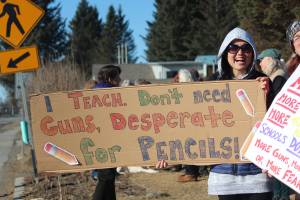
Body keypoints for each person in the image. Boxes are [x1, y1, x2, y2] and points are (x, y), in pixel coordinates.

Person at [157, 27, 274, 200]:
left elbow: (276, 123)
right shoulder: (211, 84)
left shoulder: (263, 82)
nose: (240, 53)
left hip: (257, 174)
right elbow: (189, 122)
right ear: (225, 52)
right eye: (233, 48)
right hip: (224, 176)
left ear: (253, 53)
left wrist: (267, 94)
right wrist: (167, 151)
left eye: (246, 48)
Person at [92, 65, 121, 200]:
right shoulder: (110, 94)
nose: (120, 80)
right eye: (117, 77)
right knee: (106, 177)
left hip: (98, 139)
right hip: (106, 140)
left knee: (108, 177)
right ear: (110, 78)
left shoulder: (93, 92)